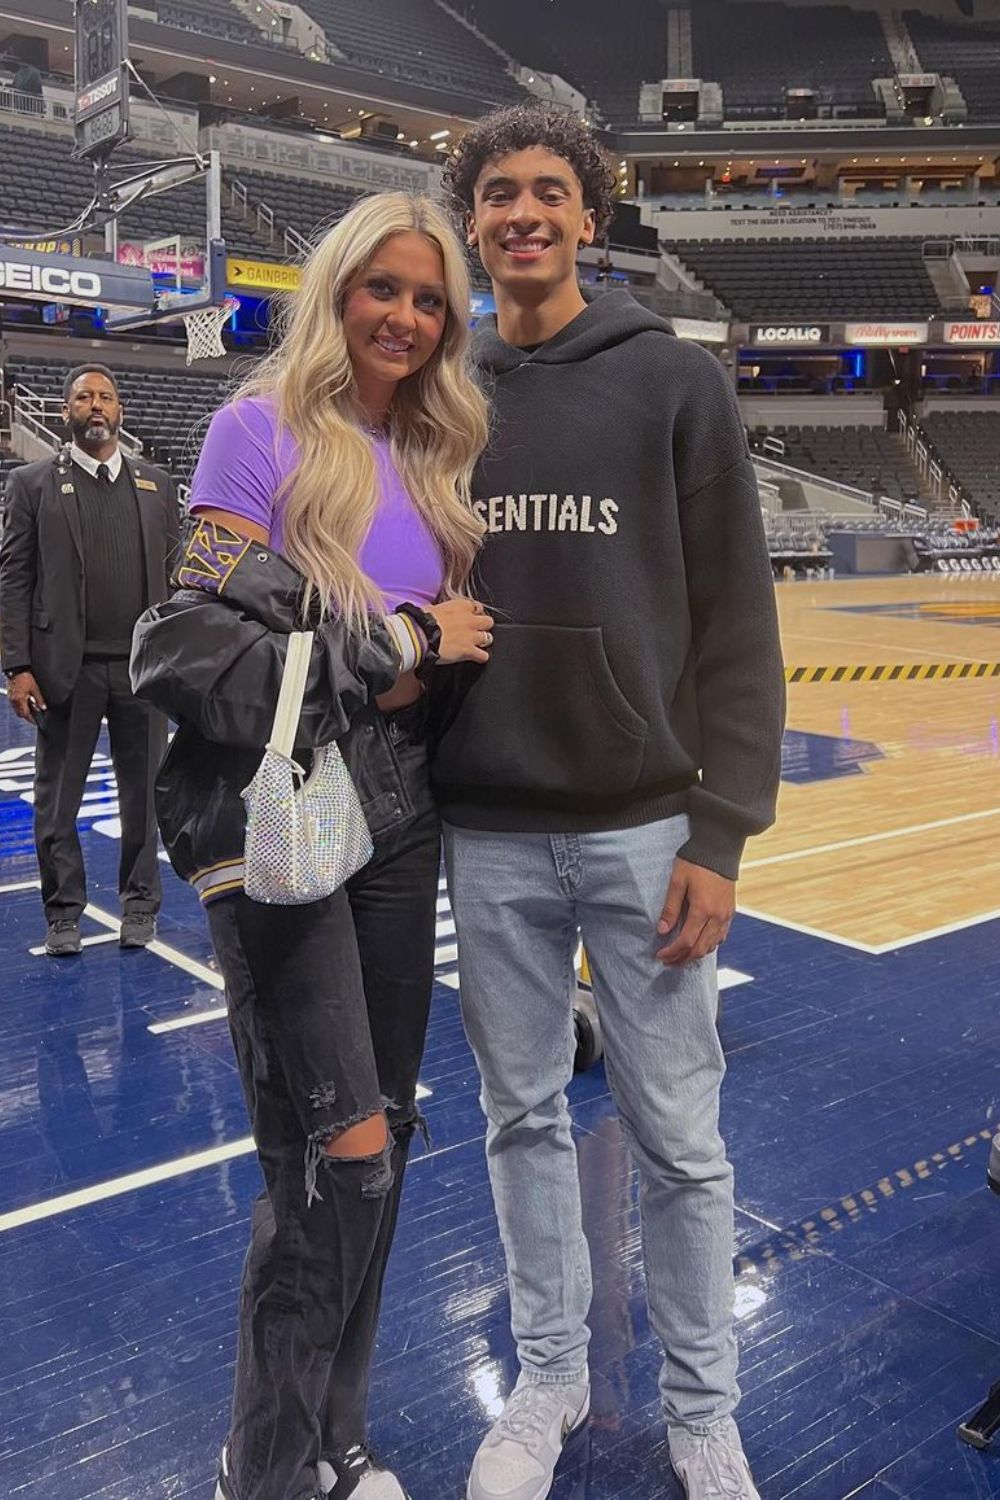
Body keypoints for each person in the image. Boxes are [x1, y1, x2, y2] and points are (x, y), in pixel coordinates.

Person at [433, 103, 786, 1500]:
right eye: (499, 193)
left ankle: (704, 1409)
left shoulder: (671, 384)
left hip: (647, 825)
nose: (523, 212)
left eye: (548, 191)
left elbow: (738, 623)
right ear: (472, 220)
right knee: (517, 1119)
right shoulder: (443, 391)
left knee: (682, 1143)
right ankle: (552, 1377)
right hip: (485, 827)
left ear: (589, 216)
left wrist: (723, 832)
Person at [130, 192, 494, 1500]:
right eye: (379, 288)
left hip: (403, 814)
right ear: (337, 292)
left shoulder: (445, 462)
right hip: (281, 807)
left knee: (382, 1135)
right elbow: (183, 648)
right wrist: (395, 639)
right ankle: (268, 1467)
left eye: (428, 298)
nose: (402, 315)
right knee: (332, 1153)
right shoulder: (256, 428)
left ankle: (336, 1434)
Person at [0, 363, 177, 955]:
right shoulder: (31, 483)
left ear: (120, 410)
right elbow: (14, 578)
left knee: (144, 797)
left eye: (105, 397)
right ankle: (64, 914)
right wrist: (17, 665)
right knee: (58, 803)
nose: (95, 406)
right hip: (63, 669)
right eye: (83, 398)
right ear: (66, 410)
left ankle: (139, 904)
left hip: (141, 671)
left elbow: (177, 582)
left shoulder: (156, 485)